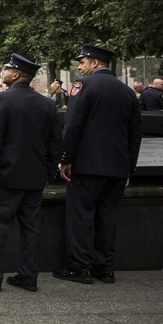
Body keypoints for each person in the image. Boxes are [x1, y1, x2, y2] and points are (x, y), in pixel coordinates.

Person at [0, 54, 61, 293]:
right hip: (35, 178)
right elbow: (56, 144)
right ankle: (28, 276)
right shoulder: (47, 104)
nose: (4, 72)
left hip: (6, 177)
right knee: (31, 229)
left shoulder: (2, 100)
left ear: (16, 75)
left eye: (7, 69)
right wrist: (48, 172)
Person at [54, 44, 141, 284]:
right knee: (108, 218)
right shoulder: (127, 92)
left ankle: (79, 266)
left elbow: (72, 126)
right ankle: (105, 268)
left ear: (94, 63)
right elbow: (135, 134)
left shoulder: (83, 86)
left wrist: (65, 159)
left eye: (82, 62)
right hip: (117, 167)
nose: (79, 66)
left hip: (87, 166)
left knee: (81, 215)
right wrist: (129, 169)